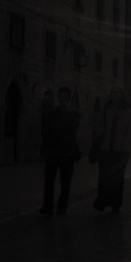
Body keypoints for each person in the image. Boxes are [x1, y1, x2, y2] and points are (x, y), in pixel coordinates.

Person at [93, 86, 131, 214]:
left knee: (117, 178)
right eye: (113, 92)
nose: (115, 94)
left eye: (117, 92)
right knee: (104, 176)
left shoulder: (128, 113)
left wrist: (126, 148)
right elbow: (97, 125)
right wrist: (100, 131)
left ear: (122, 95)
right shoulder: (105, 111)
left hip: (121, 151)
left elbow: (130, 131)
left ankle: (115, 203)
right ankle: (101, 202)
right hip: (105, 149)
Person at [40, 87, 81, 215]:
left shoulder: (74, 114)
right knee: (49, 181)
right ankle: (47, 206)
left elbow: (73, 128)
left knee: (65, 182)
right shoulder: (52, 114)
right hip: (53, 152)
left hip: (67, 152)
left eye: (65, 97)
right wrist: (44, 149)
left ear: (68, 99)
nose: (62, 99)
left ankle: (62, 206)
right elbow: (46, 132)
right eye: (60, 97)